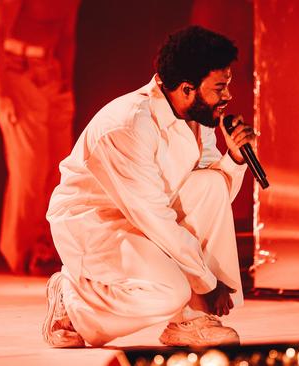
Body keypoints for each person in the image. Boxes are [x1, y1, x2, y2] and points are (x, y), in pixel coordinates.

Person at [42, 26, 258, 347]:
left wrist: (236, 159)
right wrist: (206, 283)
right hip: (97, 225)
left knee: (211, 182)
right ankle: (74, 304)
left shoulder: (196, 116)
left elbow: (212, 199)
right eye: (220, 88)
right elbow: (153, 217)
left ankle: (190, 321)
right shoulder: (128, 125)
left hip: (148, 216)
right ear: (187, 88)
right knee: (171, 291)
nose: (227, 96)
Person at [0, 0, 81, 275]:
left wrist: (67, 83)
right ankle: (22, 251)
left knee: (61, 168)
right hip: (16, 70)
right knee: (31, 168)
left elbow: (67, 37)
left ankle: (46, 249)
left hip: (51, 72)